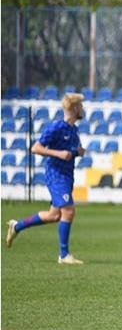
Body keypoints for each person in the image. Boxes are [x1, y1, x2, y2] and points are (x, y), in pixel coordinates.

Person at [5, 93, 87, 264]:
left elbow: (69, 152)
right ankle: (64, 255)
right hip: (56, 175)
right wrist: (58, 153)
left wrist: (77, 152)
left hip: (67, 176)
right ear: (74, 108)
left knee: (54, 215)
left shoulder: (74, 129)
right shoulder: (56, 127)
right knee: (68, 211)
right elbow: (35, 148)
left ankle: (17, 226)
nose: (82, 109)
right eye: (80, 105)